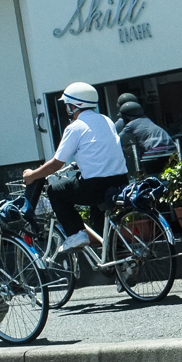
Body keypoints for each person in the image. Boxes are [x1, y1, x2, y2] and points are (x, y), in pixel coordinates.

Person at [23, 82, 128, 252]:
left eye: (67, 105)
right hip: (121, 182)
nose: (66, 109)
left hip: (96, 186)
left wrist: (32, 175)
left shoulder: (75, 127)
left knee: (55, 191)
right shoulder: (106, 120)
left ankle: (75, 234)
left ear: (74, 106)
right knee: (99, 219)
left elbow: (57, 163)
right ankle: (119, 259)